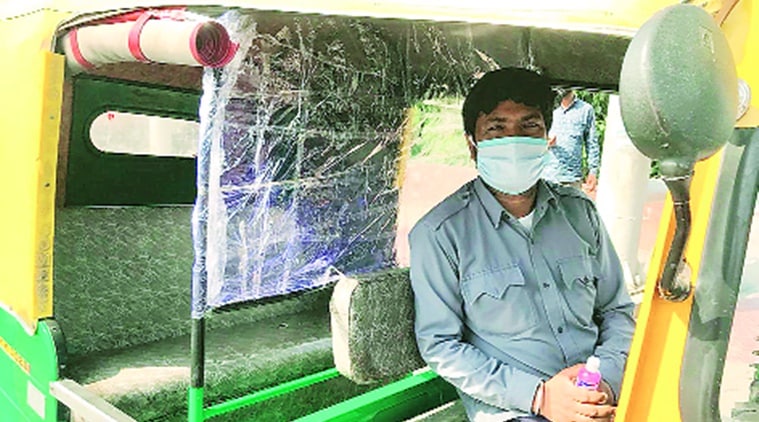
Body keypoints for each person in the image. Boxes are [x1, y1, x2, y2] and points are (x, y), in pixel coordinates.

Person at [408, 67, 635, 422]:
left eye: (529, 126)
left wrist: (605, 379)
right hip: (516, 410)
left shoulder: (580, 213)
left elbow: (616, 310)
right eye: (496, 129)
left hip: (601, 397)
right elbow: (441, 345)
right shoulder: (440, 233)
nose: (513, 140)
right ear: (472, 145)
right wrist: (540, 397)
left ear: (547, 139)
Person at [544, 89, 600, 194]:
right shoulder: (547, 108)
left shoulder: (585, 110)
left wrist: (593, 171)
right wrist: (545, 143)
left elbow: (592, 143)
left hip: (572, 178)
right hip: (547, 176)